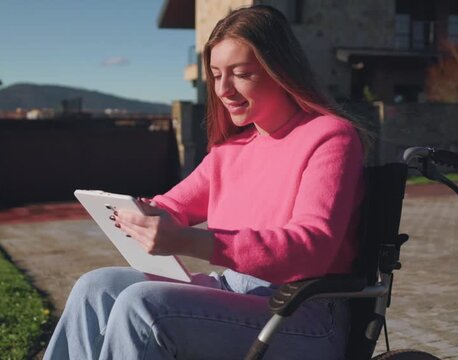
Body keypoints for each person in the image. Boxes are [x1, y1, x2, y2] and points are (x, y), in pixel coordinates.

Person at [44, 5, 365, 360]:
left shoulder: (330, 137)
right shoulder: (231, 151)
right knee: (97, 287)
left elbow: (312, 248)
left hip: (303, 312)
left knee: (144, 306)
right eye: (215, 74)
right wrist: (142, 215)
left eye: (241, 74)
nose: (224, 89)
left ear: (280, 71)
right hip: (236, 293)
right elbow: (172, 206)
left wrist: (187, 240)